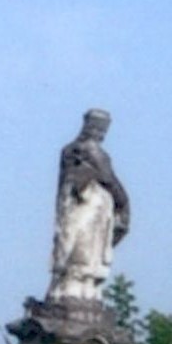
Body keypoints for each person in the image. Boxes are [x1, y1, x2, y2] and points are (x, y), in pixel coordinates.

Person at [49, 109, 131, 303]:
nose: (101, 134)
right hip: (87, 207)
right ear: (90, 127)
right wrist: (124, 201)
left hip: (87, 207)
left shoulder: (70, 150)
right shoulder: (90, 151)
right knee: (82, 246)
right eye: (100, 129)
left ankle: (78, 287)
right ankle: (76, 288)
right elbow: (107, 177)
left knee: (82, 246)